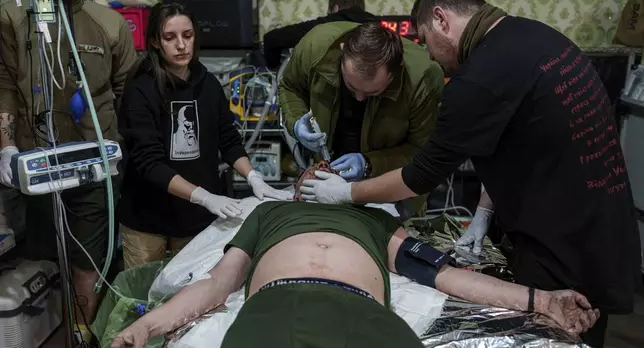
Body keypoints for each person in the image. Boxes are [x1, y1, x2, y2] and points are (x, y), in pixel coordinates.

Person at [298, 0, 642, 348]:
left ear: (441, 19)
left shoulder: (478, 79)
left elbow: (421, 174)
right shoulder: (534, 38)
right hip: (604, 229)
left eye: (427, 39)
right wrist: (484, 213)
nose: (429, 54)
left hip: (563, 247)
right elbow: (515, 143)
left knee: (563, 332)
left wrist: (348, 192)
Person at [110, 168, 599, 348]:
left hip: (364, 315)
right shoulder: (270, 214)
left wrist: (542, 301)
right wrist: (149, 326)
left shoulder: (375, 222)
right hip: (279, 307)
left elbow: (449, 278)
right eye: (312, 171)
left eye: (332, 172)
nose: (320, 172)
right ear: (299, 186)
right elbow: (216, 286)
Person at [0, 0, 138, 342]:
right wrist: (7, 147)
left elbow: (128, 89)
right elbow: (6, 85)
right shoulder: (13, 18)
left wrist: (121, 148)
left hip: (95, 161)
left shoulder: (107, 22)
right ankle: (60, 328)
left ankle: (80, 333)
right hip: (39, 158)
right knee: (48, 255)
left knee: (88, 259)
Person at [117, 3, 290, 270]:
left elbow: (229, 140)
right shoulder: (141, 90)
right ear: (154, 42)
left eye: (187, 35)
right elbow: (149, 164)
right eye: (169, 37)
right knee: (141, 301)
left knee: (191, 298)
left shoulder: (207, 85)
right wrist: (205, 196)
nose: (181, 45)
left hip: (195, 221)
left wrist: (254, 178)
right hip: (147, 222)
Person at [279, 21, 444, 214]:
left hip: (391, 186)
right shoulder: (316, 49)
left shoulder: (424, 78)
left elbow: (422, 153)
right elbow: (290, 87)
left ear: (396, 70)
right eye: (351, 86)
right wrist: (297, 121)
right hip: (329, 177)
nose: (359, 98)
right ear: (342, 52)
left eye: (373, 91)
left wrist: (370, 163)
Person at [263, 0, 378, 68]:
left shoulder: (326, 23)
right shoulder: (380, 26)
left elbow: (271, 38)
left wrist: (273, 67)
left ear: (336, 9)